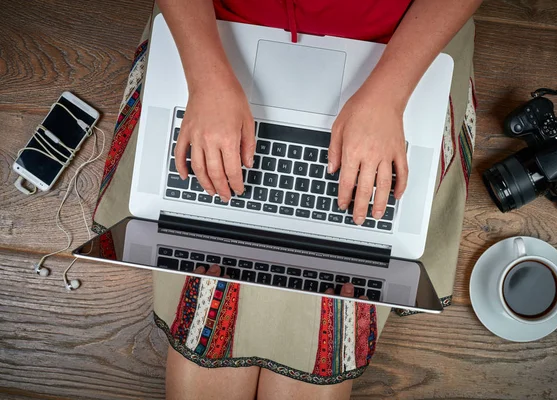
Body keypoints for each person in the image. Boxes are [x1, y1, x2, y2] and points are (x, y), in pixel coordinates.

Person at [152, 0, 480, 398]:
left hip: (396, 50)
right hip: (215, 35)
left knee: (342, 274)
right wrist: (206, 79)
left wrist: (386, 97)